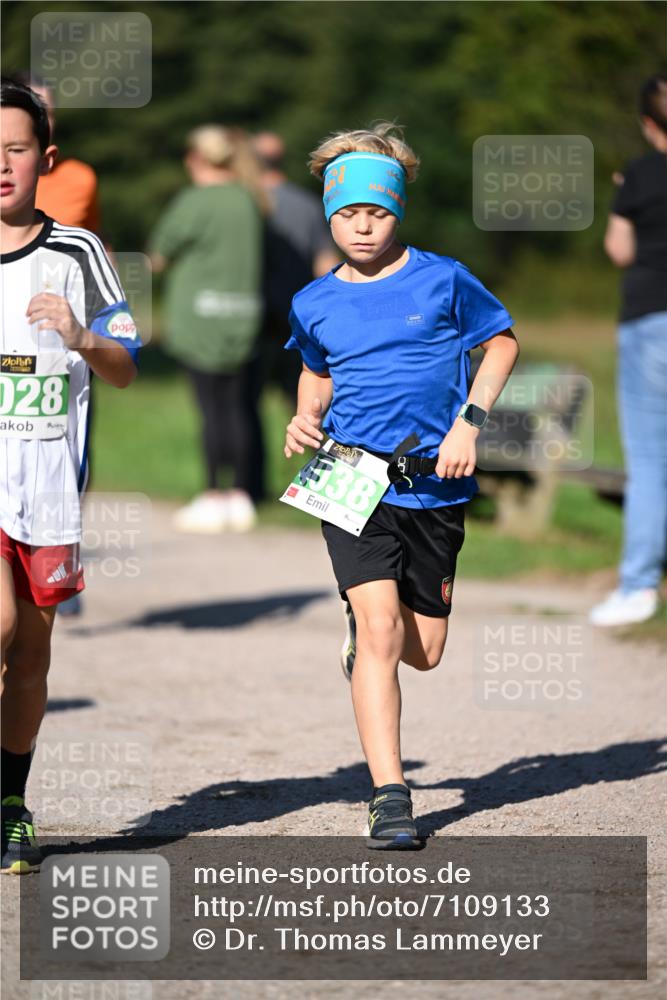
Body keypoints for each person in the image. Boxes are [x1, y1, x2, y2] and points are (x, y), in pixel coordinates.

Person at [283, 123, 519, 849]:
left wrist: (469, 424)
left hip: (434, 486)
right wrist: (302, 416)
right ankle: (390, 796)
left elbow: (501, 342)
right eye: (349, 213)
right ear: (329, 213)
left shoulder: (443, 279)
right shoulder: (313, 301)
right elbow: (316, 369)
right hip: (347, 478)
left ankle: (367, 639)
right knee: (382, 631)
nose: (363, 225)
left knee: (423, 650)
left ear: (397, 213)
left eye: (377, 212)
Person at [0, 78, 140, 872]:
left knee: (31, 662)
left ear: (45, 159)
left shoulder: (78, 252)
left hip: (50, 490)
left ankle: (11, 801)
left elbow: (124, 370)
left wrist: (82, 335)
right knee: (0, 628)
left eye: (15, 149)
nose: (1, 165)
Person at [149, 126, 265, 533]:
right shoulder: (249, 200)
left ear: (196, 159)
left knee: (210, 411)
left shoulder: (195, 201)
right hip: (243, 318)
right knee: (237, 410)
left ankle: (214, 494)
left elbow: (160, 255)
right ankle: (240, 496)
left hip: (200, 321)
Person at [590, 75, 667, 627]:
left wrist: (629, 193)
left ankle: (639, 586)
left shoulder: (639, 174)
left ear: (647, 123)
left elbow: (619, 249)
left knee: (649, 460)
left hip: (650, 320)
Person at [254, 131, 339, 400]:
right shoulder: (307, 204)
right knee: (306, 401)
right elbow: (326, 262)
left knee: (243, 407)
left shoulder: (245, 205)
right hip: (299, 316)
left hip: (254, 319)